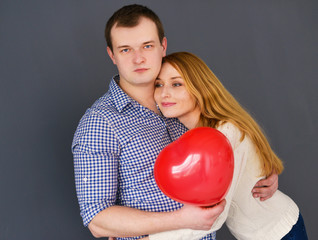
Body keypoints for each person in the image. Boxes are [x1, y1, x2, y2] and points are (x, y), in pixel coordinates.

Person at [72, 5, 279, 240]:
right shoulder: (100, 124)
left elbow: (229, 147)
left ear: (163, 47)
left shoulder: (183, 102)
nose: (138, 58)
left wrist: (261, 173)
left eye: (147, 46)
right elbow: (97, 220)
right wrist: (181, 219)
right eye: (125, 49)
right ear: (112, 55)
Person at [147, 52, 308, 240]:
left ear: (199, 87)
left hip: (279, 232)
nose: (164, 93)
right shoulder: (194, 132)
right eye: (158, 84)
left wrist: (146, 239)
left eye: (176, 84)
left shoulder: (225, 133)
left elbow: (213, 218)